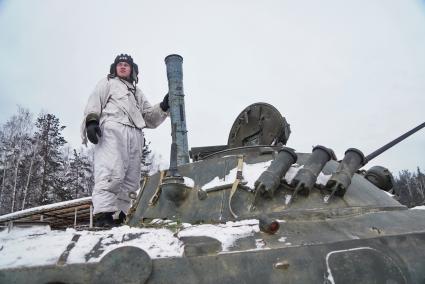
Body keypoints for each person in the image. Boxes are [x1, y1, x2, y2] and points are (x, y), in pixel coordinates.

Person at [81, 54, 169, 227]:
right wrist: (92, 121)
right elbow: (94, 101)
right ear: (115, 68)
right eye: (119, 64)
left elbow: (149, 118)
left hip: (135, 134)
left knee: (131, 179)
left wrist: (164, 106)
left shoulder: (137, 92)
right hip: (113, 129)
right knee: (111, 171)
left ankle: (120, 215)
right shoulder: (107, 83)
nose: (122, 67)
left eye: (126, 65)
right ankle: (103, 215)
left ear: (132, 70)